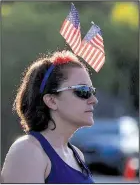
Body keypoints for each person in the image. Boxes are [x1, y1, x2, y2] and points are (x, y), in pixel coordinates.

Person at [1, 50, 98, 183]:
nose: (94, 100)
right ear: (52, 101)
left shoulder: (77, 155)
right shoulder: (27, 151)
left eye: (92, 91)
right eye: (83, 91)